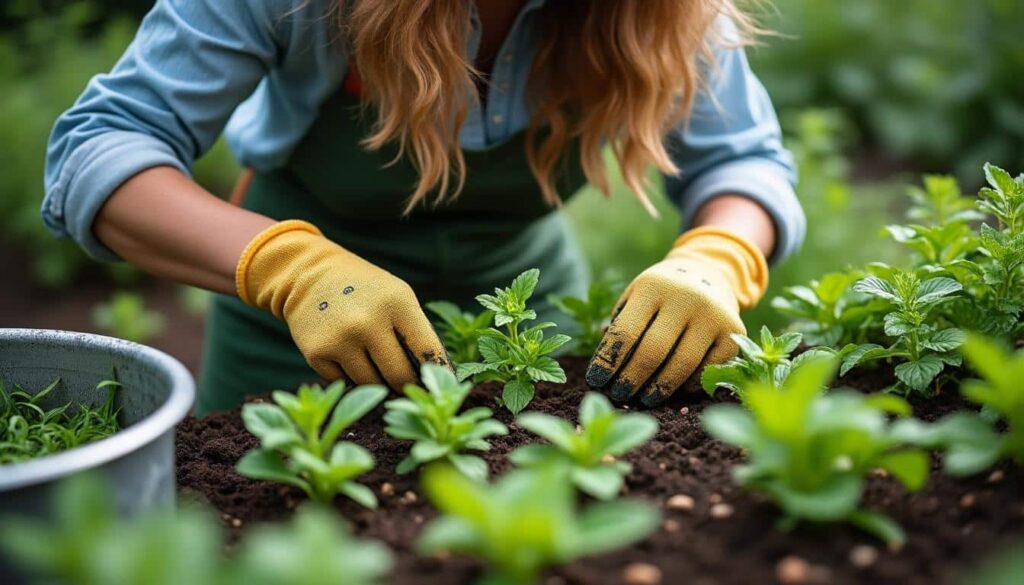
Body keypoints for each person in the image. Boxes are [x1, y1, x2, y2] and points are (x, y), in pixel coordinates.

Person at [44, 0, 804, 415]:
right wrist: (289, 267)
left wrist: (716, 259)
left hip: (526, 318)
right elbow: (98, 149)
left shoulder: (668, 12)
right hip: (302, 330)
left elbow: (741, 160)